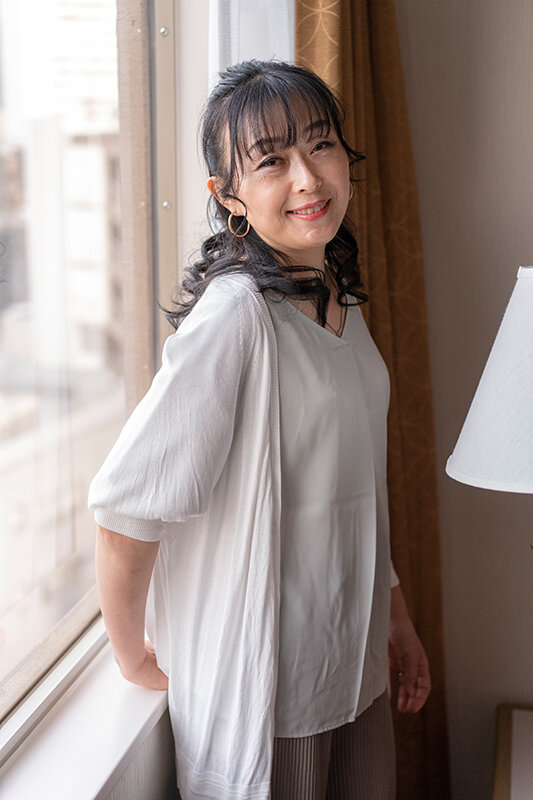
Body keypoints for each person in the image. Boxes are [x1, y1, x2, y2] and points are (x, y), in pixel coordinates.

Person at [89, 59, 431, 800]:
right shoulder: (238, 315)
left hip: (354, 671)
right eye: (271, 161)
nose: (308, 178)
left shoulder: (336, 293)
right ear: (228, 196)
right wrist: (131, 654)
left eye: (321, 144)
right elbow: (125, 506)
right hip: (275, 700)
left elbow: (354, 488)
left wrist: (395, 618)